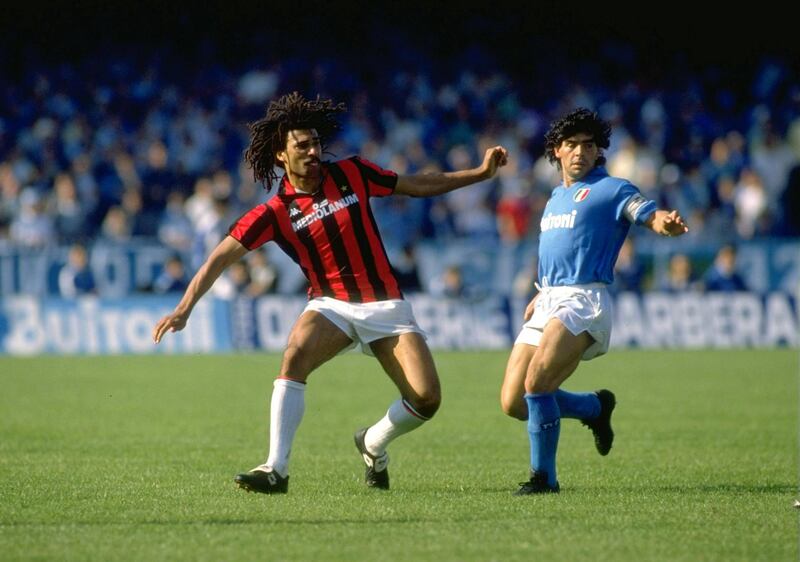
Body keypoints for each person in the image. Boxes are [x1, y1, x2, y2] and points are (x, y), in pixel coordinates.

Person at [152, 92, 508, 494]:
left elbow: (416, 184)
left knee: (426, 400)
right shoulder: (275, 212)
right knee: (295, 353)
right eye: (301, 146)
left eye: (315, 143)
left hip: (385, 303)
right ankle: (276, 469)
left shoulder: (352, 173)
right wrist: (185, 308)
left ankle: (373, 443)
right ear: (281, 155)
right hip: (331, 305)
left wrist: (479, 173)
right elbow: (219, 258)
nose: (312, 151)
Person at [499, 108, 688, 495]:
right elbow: (558, 248)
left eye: (589, 145)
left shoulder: (612, 189)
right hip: (549, 296)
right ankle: (594, 408)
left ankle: (543, 480)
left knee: (537, 383)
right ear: (556, 151)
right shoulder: (554, 197)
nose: (580, 152)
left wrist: (662, 223)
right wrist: (542, 290)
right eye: (571, 145)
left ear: (598, 151)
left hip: (585, 299)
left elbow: (645, 212)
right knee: (514, 402)